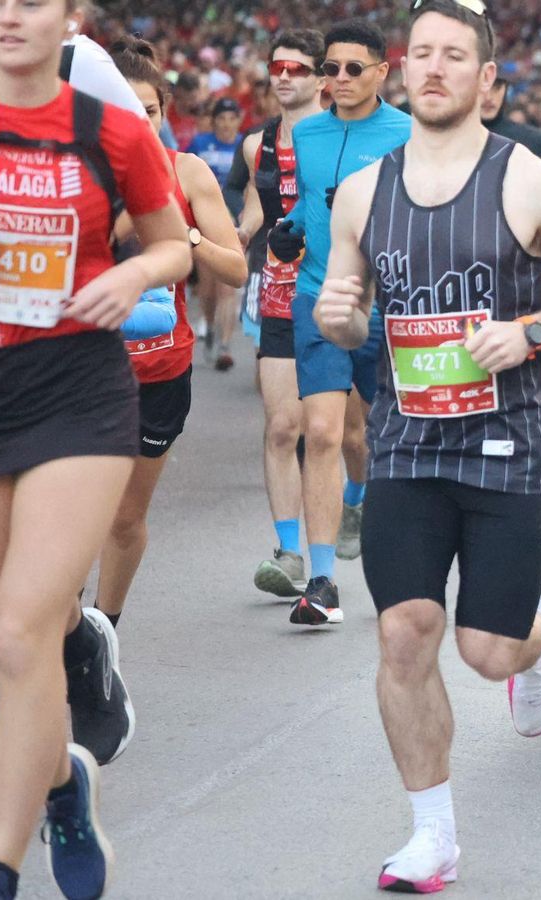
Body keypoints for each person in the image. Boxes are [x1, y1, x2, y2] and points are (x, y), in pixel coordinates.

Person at [313, 4, 541, 889]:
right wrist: (340, 317)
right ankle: (433, 835)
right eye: (422, 55)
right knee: (405, 634)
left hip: (506, 446)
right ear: (399, 70)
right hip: (407, 445)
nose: (436, 69)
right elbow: (344, 308)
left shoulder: (529, 180)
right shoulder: (364, 191)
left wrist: (530, 331)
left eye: (457, 56)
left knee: (486, 650)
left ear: (488, 79)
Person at [0, 0, 191, 894]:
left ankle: (0, 866)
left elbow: (174, 246)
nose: (6, 17)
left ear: (70, 15)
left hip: (74, 387)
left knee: (17, 627)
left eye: (28, 1)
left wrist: (132, 273)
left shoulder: (107, 126)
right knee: (3, 637)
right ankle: (64, 779)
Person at [93, 42, 247, 633]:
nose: (140, 121)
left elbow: (234, 269)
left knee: (125, 517)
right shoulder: (78, 172)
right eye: (126, 109)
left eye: (150, 111)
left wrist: (183, 235)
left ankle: (103, 630)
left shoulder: (188, 172)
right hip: (81, 370)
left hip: (159, 371)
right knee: (70, 513)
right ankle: (56, 625)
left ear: (165, 114)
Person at [268, 19, 412, 628]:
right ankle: (322, 582)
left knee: (391, 439)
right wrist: (292, 226)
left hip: (393, 305)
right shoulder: (311, 132)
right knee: (322, 431)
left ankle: (405, 558)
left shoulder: (408, 133)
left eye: (354, 68)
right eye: (330, 68)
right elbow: (307, 196)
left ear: (384, 71)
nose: (339, 78)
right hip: (319, 295)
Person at [230, 30, 359, 599]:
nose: (284, 76)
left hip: (337, 295)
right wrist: (230, 237)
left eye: (298, 68)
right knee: (284, 426)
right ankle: (289, 552)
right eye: (276, 67)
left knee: (347, 433)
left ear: (322, 78)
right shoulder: (254, 144)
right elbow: (255, 210)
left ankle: (355, 500)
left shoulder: (344, 137)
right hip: (277, 294)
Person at [184, 96, 245, 370]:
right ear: (214, 121)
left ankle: (225, 345)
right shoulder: (199, 144)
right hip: (203, 222)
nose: (226, 125)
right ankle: (208, 324)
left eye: (231, 119)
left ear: (238, 121)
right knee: (207, 288)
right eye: (221, 119)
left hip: (232, 222)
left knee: (227, 287)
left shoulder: (244, 146)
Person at [480, 71, 541, 159]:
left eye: (496, 87)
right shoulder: (460, 140)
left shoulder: (535, 142)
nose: (488, 97)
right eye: (482, 86)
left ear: (505, 88)